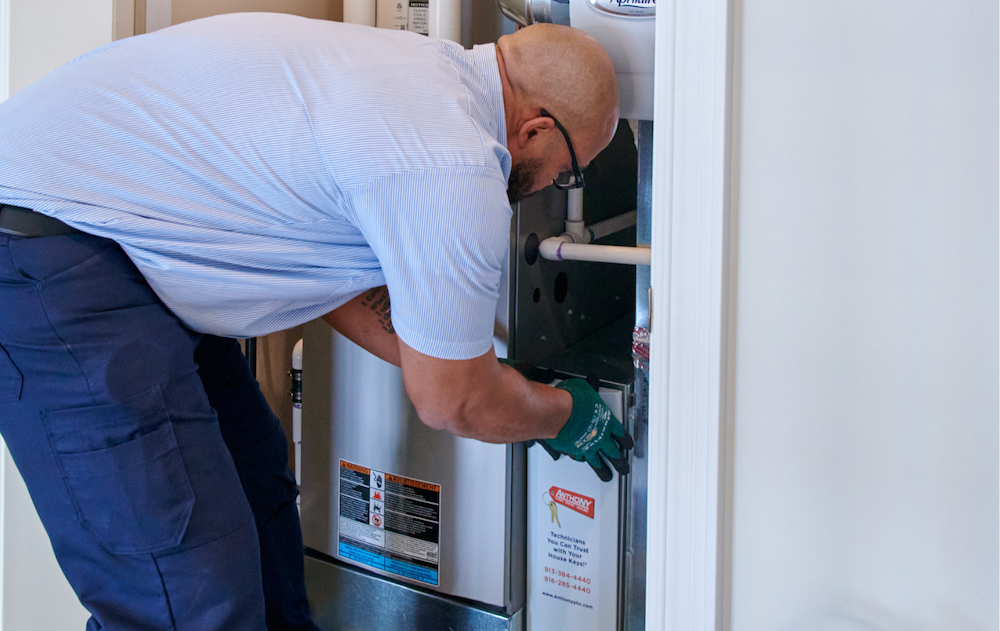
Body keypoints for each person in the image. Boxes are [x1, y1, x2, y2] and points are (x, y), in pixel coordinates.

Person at [0, 12, 630, 631]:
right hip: (49, 251)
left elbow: (342, 292)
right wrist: (560, 413)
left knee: (259, 497)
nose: (558, 185)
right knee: (189, 596)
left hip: (126, 253)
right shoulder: (456, 160)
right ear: (537, 130)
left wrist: (495, 381)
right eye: (569, 169)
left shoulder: (419, 79)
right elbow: (451, 401)